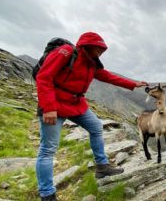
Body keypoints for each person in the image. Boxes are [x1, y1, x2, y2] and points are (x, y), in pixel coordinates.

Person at [35, 32, 148, 200]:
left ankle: (102, 167)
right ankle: (47, 193)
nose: (101, 51)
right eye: (98, 48)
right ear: (86, 45)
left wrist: (133, 84)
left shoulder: (92, 63)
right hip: (55, 104)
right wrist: (49, 108)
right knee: (48, 149)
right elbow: (43, 77)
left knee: (96, 127)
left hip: (76, 104)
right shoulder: (66, 52)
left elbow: (108, 77)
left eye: (102, 49)